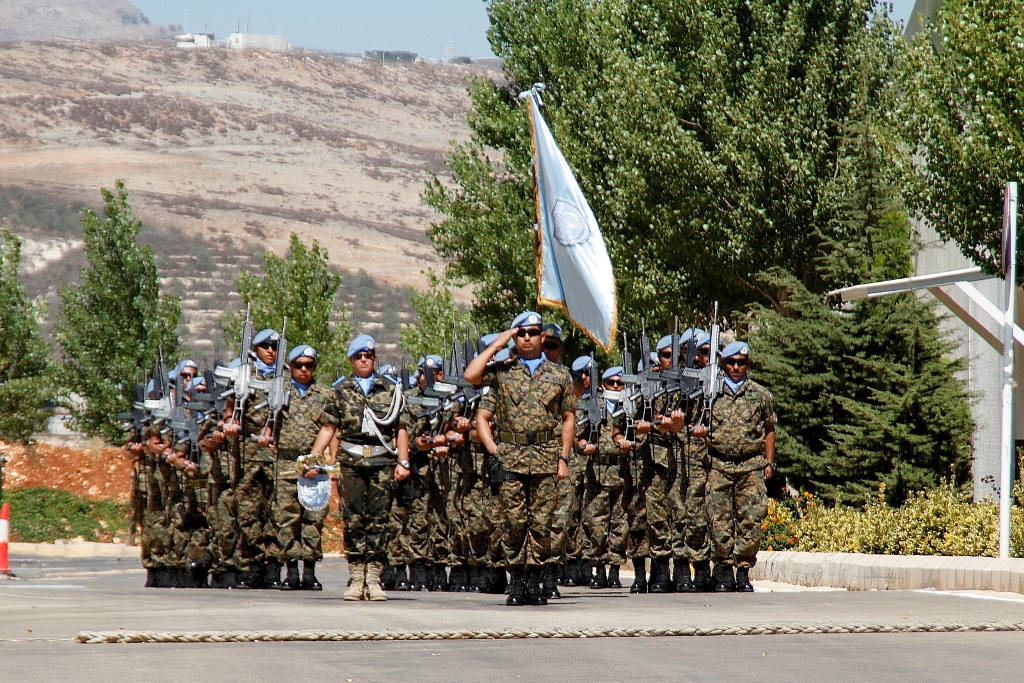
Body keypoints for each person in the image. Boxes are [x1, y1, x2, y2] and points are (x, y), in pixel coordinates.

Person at [464, 311, 577, 606]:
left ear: (543, 336)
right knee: (513, 523)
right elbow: (471, 375)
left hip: (545, 457)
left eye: (532, 332)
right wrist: (499, 343)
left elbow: (568, 418)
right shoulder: (503, 371)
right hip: (511, 458)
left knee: (541, 524)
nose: (527, 337)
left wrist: (564, 458)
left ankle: (533, 582)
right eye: (521, 333)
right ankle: (516, 581)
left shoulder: (559, 375)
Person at [312, 334, 410, 601]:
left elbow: (400, 428)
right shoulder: (340, 390)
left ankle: (374, 579)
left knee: (379, 519)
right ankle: (356, 578)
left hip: (381, 462)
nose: (364, 359)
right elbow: (329, 427)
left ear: (375, 358)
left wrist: (403, 461)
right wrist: (313, 457)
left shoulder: (390, 389)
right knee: (354, 519)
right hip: (352, 462)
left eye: (368, 355)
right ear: (351, 360)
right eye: (359, 356)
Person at [692, 341, 776, 593]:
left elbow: (769, 428)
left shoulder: (759, 394)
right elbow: (696, 422)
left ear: (748, 364)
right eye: (731, 362)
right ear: (722, 363)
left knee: (751, 521)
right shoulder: (710, 392)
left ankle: (743, 571)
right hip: (718, 464)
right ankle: (724, 571)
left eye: (741, 362)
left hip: (750, 466)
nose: (736, 367)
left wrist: (769, 462)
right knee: (719, 522)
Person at [273, 345, 340, 590]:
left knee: (313, 517)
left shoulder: (325, 394)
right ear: (290, 366)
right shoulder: (279, 392)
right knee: (287, 517)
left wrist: (328, 461)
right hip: (286, 462)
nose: (304, 369)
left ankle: (309, 571)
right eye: (299, 365)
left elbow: (331, 427)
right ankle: (290, 571)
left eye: (309, 365)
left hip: (315, 463)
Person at [222, 328, 281, 589]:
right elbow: (228, 413)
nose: (270, 351)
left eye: (274, 347)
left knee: (275, 513)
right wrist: (230, 424)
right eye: (265, 346)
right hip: (248, 455)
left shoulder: (285, 379)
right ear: (254, 350)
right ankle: (256, 563)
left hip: (278, 456)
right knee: (247, 512)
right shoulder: (243, 377)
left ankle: (273, 567)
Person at [581, 366, 630, 589]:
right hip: (598, 471)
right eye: (611, 383)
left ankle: (614, 571)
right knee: (596, 524)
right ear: (603, 385)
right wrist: (584, 447)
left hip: (621, 471)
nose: (616, 387)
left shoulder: (629, 406)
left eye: (620, 383)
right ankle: (598, 570)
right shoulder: (592, 406)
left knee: (620, 525)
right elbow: (578, 437)